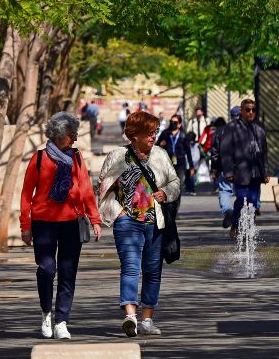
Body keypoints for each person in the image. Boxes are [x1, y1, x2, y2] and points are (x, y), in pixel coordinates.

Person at [97, 111, 181, 337]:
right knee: (131, 268)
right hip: (127, 222)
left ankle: (147, 320)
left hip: (155, 222)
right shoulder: (118, 156)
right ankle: (130, 316)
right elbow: (103, 183)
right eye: (149, 133)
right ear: (135, 135)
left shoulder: (161, 155)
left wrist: (165, 192)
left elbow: (175, 181)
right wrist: (117, 211)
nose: (153, 136)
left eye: (155, 132)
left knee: (153, 271)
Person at [20, 112, 103, 340]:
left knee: (68, 274)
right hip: (43, 222)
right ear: (58, 135)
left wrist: (95, 220)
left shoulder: (76, 158)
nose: (74, 139)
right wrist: (25, 225)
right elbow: (27, 194)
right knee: (47, 269)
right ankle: (46, 312)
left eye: (75, 134)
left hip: (71, 222)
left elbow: (86, 189)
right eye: (71, 135)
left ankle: (62, 321)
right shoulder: (38, 159)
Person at [220, 99, 269, 239]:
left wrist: (265, 172)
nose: (251, 112)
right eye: (247, 110)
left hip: (256, 172)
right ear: (241, 111)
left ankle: (249, 228)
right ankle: (235, 225)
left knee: (254, 202)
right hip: (240, 172)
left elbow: (264, 152)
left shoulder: (259, 128)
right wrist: (228, 171)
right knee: (241, 199)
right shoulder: (232, 127)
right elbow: (225, 150)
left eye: (253, 109)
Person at [157, 114, 195, 210]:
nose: (173, 124)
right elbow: (156, 146)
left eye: (175, 122)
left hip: (180, 164)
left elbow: (188, 152)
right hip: (167, 164)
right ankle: (168, 206)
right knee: (167, 185)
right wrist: (161, 144)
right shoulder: (165, 133)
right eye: (171, 122)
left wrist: (191, 166)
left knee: (177, 186)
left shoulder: (183, 135)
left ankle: (175, 208)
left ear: (179, 124)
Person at [210, 117, 234, 228]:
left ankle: (228, 210)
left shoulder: (218, 132)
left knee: (225, 190)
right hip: (243, 167)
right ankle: (245, 215)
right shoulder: (246, 128)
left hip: (226, 166)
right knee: (242, 192)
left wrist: (215, 169)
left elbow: (215, 152)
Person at [185, 132, 201, 196]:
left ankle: (192, 190)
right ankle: (188, 189)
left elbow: (197, 156)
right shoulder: (186, 144)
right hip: (187, 164)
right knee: (187, 178)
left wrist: (193, 164)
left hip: (193, 165)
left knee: (192, 178)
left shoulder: (196, 145)